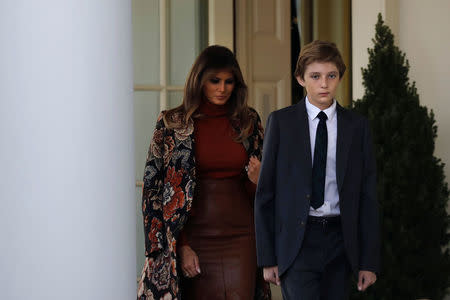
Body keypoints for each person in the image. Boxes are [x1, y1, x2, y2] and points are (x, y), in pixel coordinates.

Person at [137, 45, 271, 300]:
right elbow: (152, 189)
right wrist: (181, 244)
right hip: (193, 235)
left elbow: (260, 188)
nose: (222, 88)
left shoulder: (248, 121)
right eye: (215, 81)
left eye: (229, 82)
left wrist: (259, 181)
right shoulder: (172, 123)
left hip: (242, 236)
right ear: (199, 80)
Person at [254, 40, 380, 299]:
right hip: (297, 242)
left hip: (340, 242)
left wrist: (368, 261)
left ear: (340, 78)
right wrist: (268, 257)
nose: (324, 84)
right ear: (300, 78)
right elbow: (266, 194)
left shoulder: (357, 127)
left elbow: (367, 197)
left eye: (331, 76)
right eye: (315, 76)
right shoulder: (281, 123)